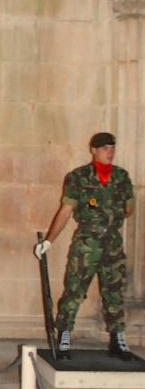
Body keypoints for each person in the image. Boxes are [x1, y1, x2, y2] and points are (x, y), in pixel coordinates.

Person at [34, 132, 134, 360]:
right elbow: (66, 211)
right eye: (104, 148)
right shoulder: (78, 177)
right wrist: (49, 240)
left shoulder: (122, 177)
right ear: (94, 150)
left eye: (112, 147)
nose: (109, 151)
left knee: (114, 291)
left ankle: (117, 337)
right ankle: (65, 334)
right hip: (87, 242)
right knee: (75, 289)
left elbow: (129, 209)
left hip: (113, 243)